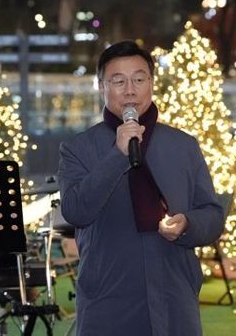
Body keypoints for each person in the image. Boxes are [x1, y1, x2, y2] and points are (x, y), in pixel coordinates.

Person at [57, 40, 225, 336]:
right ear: (102, 87)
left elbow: (212, 215)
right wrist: (117, 155)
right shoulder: (78, 148)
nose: (130, 90)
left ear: (151, 84)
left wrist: (187, 224)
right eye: (118, 81)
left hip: (174, 296)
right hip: (108, 301)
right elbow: (75, 211)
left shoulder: (183, 146)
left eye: (138, 79)